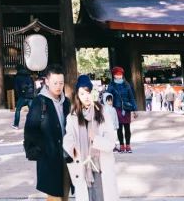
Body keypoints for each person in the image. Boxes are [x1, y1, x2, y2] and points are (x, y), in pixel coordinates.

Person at [63, 75, 120, 201]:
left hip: (101, 166)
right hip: (82, 166)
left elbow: (111, 142)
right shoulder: (72, 117)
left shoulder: (103, 112)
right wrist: (71, 147)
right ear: (78, 95)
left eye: (88, 92)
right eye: (82, 94)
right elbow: (68, 137)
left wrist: (96, 139)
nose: (86, 97)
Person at [24, 65, 71, 201]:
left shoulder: (66, 102)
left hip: (66, 157)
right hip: (49, 157)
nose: (58, 86)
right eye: (55, 83)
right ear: (47, 82)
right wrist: (39, 150)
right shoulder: (40, 102)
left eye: (61, 83)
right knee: (54, 196)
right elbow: (30, 129)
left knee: (65, 195)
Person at [104, 67, 137, 153]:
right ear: (114, 75)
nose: (118, 76)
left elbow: (131, 97)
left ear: (122, 75)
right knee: (119, 128)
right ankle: (122, 145)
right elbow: (107, 96)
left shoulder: (127, 84)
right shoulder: (111, 85)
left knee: (127, 128)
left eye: (120, 74)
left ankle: (128, 146)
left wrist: (134, 109)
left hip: (126, 109)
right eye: (116, 74)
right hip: (116, 109)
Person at [13, 65, 35, 129]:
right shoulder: (29, 76)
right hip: (30, 96)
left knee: (18, 110)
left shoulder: (17, 77)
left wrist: (18, 95)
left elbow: (16, 88)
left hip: (22, 96)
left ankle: (16, 125)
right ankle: (33, 124)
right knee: (32, 111)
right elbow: (32, 85)